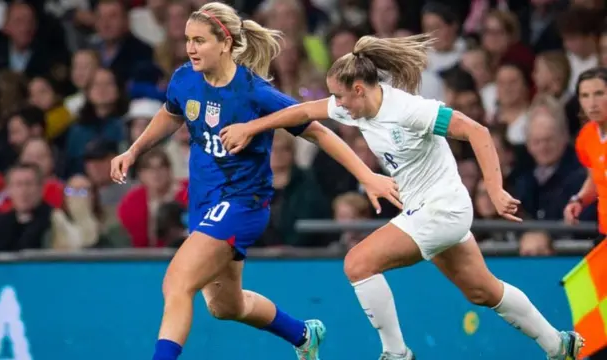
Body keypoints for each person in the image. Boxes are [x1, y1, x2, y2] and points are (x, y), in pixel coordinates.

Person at [219, 34, 585, 360]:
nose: (336, 104)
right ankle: (558, 345)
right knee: (483, 291)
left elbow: (476, 131)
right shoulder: (356, 108)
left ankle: (396, 353)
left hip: (442, 208)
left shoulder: (409, 111)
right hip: (429, 211)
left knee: (358, 264)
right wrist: (252, 127)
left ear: (360, 89)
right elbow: (302, 111)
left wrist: (494, 188)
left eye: (340, 96)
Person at [108, 3, 398, 360]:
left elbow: (318, 132)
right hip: (204, 203)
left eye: (199, 40)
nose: (190, 48)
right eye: (187, 40)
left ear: (225, 43)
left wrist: (366, 175)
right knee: (224, 306)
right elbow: (171, 115)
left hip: (242, 203)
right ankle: (304, 334)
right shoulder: (184, 78)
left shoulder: (254, 92)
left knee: (177, 282)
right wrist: (133, 152)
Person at [565, 67, 607, 245]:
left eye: (599, 93)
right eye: (585, 96)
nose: (592, 103)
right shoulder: (586, 137)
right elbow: (595, 178)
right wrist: (579, 200)